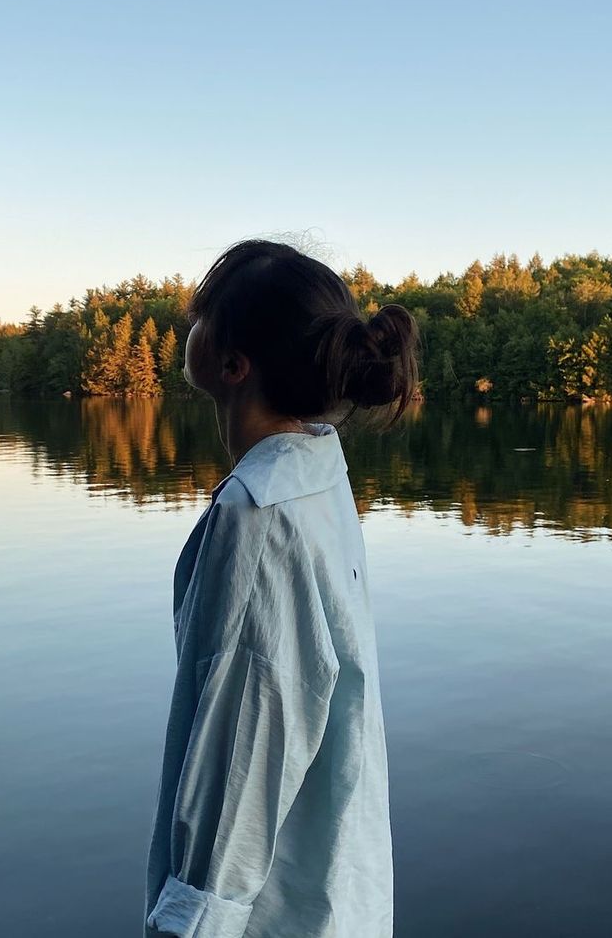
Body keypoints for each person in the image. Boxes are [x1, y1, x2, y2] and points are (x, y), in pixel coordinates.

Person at [143, 238, 420, 938]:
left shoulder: (258, 516)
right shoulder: (319, 471)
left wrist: (189, 925)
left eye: (202, 314)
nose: (189, 323)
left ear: (233, 364)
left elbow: (241, 764)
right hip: (338, 898)